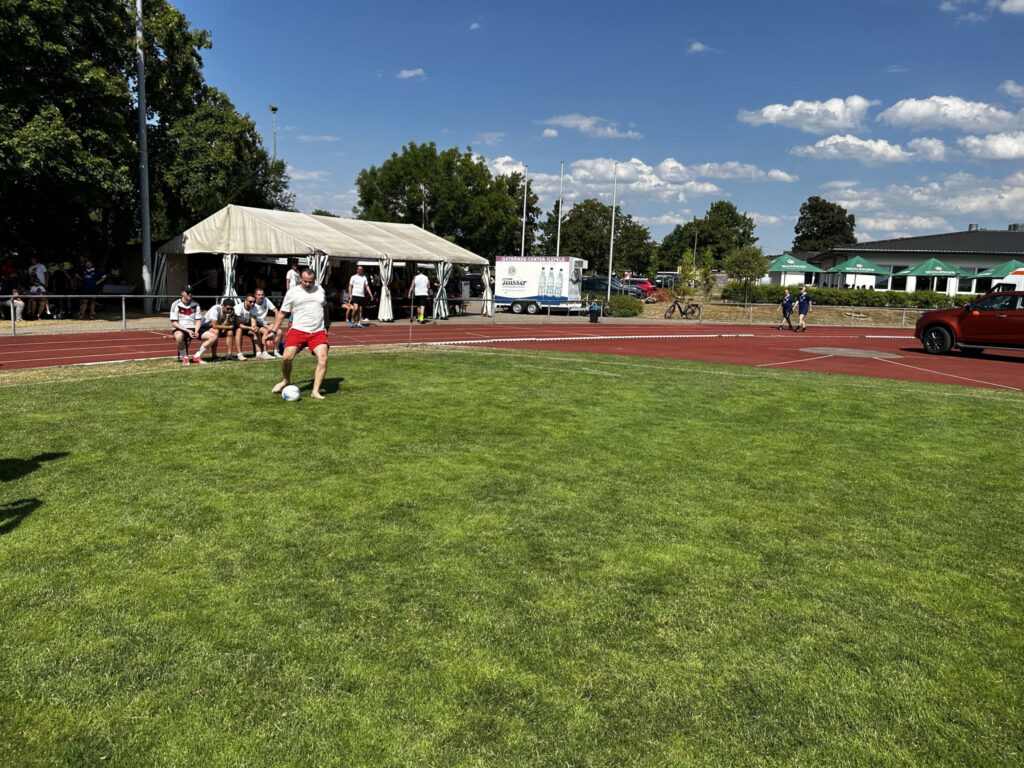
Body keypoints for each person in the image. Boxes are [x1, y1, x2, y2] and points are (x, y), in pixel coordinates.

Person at [270, 268, 329, 399]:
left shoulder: (320, 290)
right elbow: (282, 313)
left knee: (323, 358)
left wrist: (327, 323)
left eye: (311, 282)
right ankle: (286, 380)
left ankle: (315, 391)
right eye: (305, 281)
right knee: (286, 358)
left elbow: (325, 306)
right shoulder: (292, 292)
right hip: (298, 330)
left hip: (318, 331)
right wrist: (273, 330)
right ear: (300, 280)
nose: (308, 284)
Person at [192, 298, 236, 364]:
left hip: (217, 327)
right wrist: (228, 327)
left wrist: (228, 316)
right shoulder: (216, 309)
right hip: (204, 327)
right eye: (228, 308)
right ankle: (214, 356)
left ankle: (229, 355)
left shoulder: (230, 312)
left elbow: (227, 325)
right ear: (223, 306)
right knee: (216, 331)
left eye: (231, 309)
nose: (229, 310)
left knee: (230, 332)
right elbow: (214, 325)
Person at [234, 293, 273, 359]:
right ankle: (240, 354)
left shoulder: (254, 308)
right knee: (239, 330)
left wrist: (254, 327)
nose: (252, 303)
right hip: (236, 326)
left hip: (246, 325)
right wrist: (250, 327)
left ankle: (259, 353)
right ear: (245, 301)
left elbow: (253, 322)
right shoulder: (238, 308)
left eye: (254, 302)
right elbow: (238, 324)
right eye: (250, 302)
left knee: (256, 330)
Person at [170, 285, 201, 365]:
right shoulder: (175, 304)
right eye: (188, 292)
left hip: (193, 328)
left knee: (212, 335)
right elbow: (174, 322)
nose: (190, 294)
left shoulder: (196, 304)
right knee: (179, 337)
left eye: (191, 292)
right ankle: (185, 357)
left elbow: (198, 321)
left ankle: (197, 355)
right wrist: (188, 331)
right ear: (182, 293)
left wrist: (196, 331)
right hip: (180, 328)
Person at [251, 287, 282, 356]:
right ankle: (264, 352)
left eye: (262, 295)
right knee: (266, 331)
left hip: (265, 323)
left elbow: (276, 311)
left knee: (279, 331)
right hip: (256, 323)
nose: (261, 296)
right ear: (255, 295)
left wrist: (275, 325)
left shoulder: (266, 300)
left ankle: (276, 351)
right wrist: (266, 326)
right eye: (259, 295)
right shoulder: (252, 304)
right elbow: (254, 319)